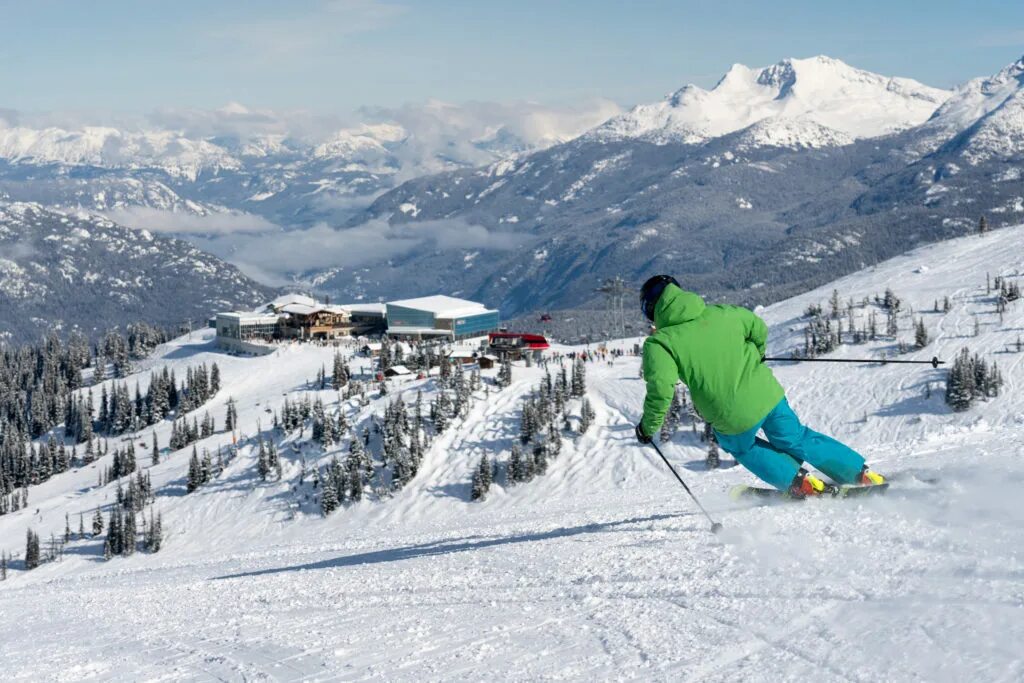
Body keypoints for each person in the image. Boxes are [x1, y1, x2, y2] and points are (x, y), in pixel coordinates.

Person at [634, 275, 885, 497]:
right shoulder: (722, 312)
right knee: (795, 437)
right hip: (768, 395)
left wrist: (647, 428)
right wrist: (757, 354)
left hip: (729, 415)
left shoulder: (660, 344)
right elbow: (757, 327)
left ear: (652, 310)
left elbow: (661, 391)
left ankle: (799, 482)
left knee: (741, 446)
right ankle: (859, 473)